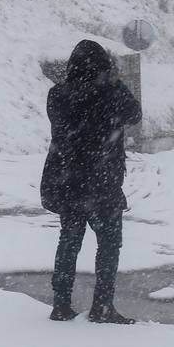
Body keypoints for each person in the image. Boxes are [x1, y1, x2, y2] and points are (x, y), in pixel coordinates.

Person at [41, 39, 142, 323]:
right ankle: (102, 306)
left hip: (69, 181)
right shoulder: (111, 94)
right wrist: (115, 84)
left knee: (69, 242)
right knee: (109, 245)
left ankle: (60, 305)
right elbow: (135, 114)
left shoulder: (57, 95)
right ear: (104, 67)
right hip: (102, 182)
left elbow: (63, 126)